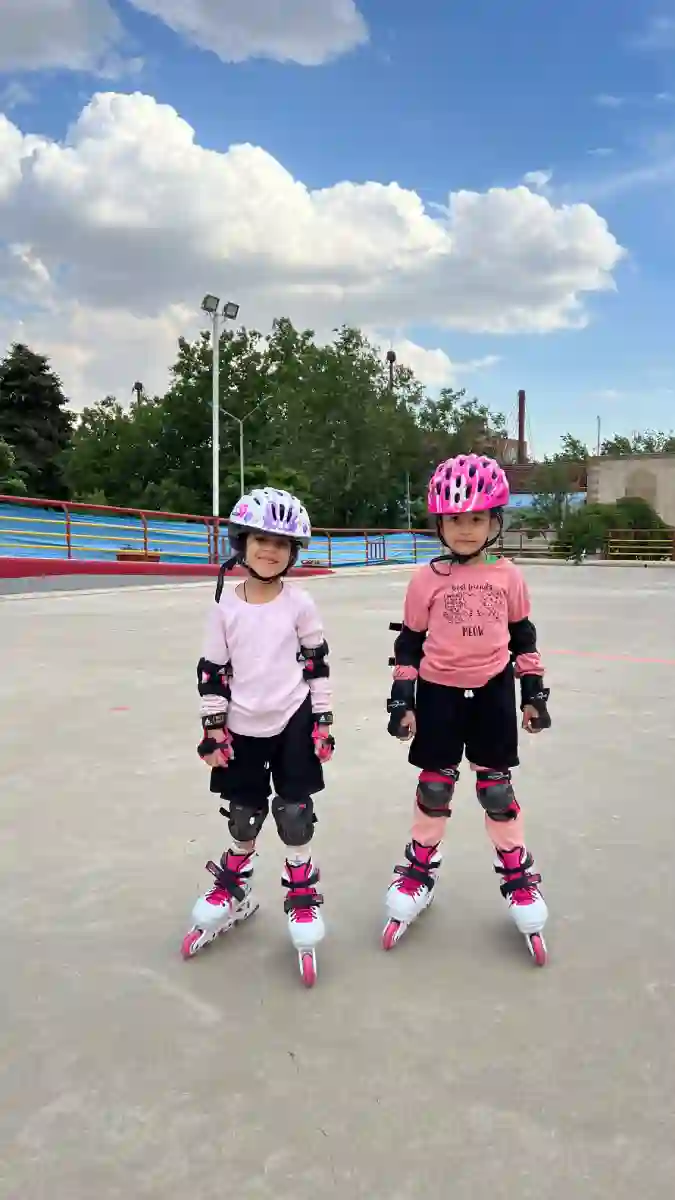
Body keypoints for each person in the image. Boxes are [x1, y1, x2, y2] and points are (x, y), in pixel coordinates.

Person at [384, 453, 551, 964]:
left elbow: (523, 637)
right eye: (455, 519)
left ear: (494, 522)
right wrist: (402, 701)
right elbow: (409, 644)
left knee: (495, 788)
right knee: (434, 785)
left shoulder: (508, 576)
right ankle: (419, 868)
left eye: (476, 518)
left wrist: (533, 694)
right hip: (438, 693)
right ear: (440, 523)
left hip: (493, 691)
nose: (465, 528)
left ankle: (517, 873)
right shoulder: (425, 579)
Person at [181, 487, 334, 987]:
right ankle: (236, 885)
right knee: (244, 813)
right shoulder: (225, 608)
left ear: (293, 553)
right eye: (262, 540)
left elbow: (317, 665)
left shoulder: (300, 603)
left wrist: (323, 719)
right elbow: (211, 671)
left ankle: (301, 886)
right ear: (242, 543)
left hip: (293, 717)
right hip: (241, 722)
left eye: (282, 543)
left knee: (294, 811)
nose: (270, 550)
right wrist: (213, 728)